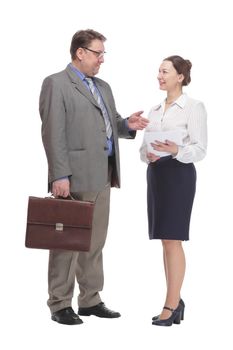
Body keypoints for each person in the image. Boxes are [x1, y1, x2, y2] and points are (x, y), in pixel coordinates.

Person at [39, 29, 148, 325]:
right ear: (80, 53)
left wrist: (127, 124)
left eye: (103, 54)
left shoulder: (103, 86)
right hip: (73, 178)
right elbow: (52, 133)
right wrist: (59, 175)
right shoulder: (56, 84)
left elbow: (110, 122)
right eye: (98, 53)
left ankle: (90, 299)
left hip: (103, 174)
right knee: (68, 243)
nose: (102, 59)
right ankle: (60, 303)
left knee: (95, 242)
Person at [140, 55, 207, 326]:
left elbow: (200, 149)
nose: (159, 75)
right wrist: (149, 155)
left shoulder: (193, 107)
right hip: (157, 174)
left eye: (165, 71)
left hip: (179, 175)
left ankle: (171, 304)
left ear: (180, 77)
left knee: (174, 238)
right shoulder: (155, 110)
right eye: (158, 70)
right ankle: (174, 301)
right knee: (165, 240)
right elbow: (144, 150)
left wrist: (176, 150)